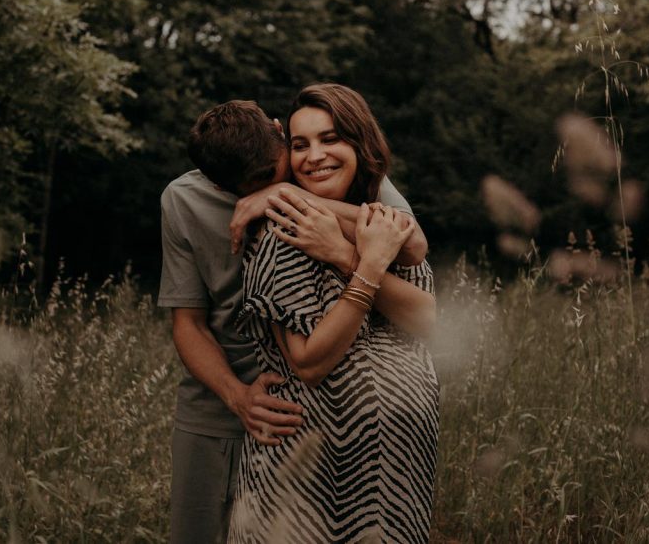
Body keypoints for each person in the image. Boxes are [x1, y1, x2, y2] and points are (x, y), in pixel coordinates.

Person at [159, 99, 427, 544]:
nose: (270, 186)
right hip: (219, 408)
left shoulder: (331, 170)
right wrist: (238, 397)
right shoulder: (182, 200)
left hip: (323, 409)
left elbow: (411, 243)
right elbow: (188, 321)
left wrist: (288, 194)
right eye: (249, 187)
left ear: (280, 132)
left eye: (272, 172)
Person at [229, 84, 439, 544]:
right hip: (307, 488)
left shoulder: (385, 221)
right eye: (300, 145)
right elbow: (309, 362)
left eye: (331, 139)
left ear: (360, 144)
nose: (314, 155)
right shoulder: (283, 234)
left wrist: (345, 256)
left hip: (396, 487)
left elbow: (426, 321)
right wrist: (363, 263)